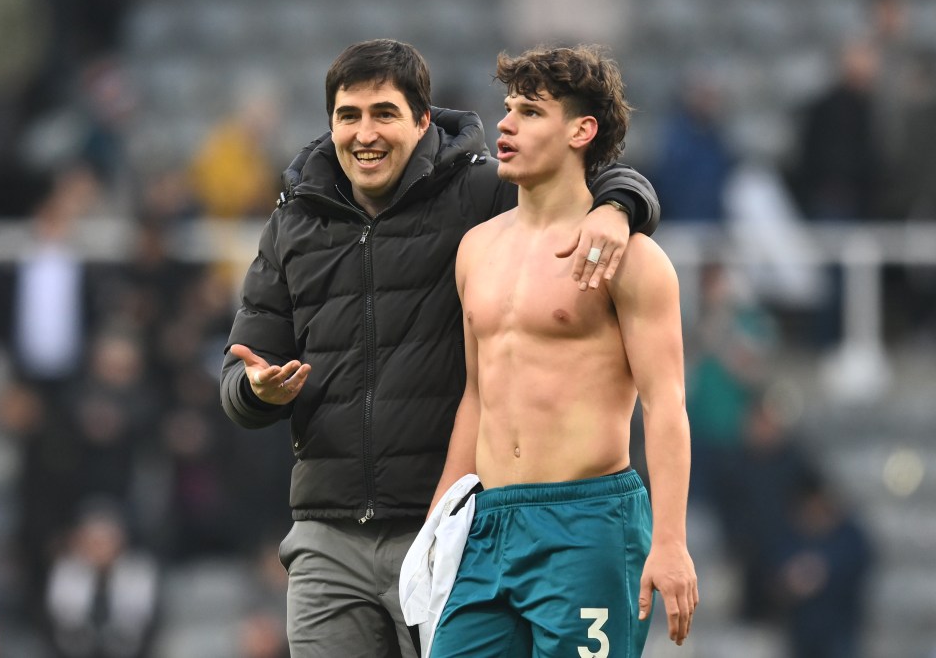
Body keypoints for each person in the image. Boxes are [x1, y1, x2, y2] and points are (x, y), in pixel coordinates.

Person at [219, 38, 662, 658]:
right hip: (326, 532)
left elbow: (578, 171)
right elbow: (240, 375)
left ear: (423, 121)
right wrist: (253, 392)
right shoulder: (293, 222)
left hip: (449, 522)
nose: (364, 133)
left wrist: (621, 205)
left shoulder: (481, 195)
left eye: (384, 114)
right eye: (348, 116)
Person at [423, 45, 697, 657]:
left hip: (589, 523)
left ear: (582, 130)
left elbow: (666, 404)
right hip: (488, 524)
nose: (505, 123)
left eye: (529, 111)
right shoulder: (475, 250)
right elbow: (477, 394)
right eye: (507, 108)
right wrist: (443, 514)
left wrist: (672, 540)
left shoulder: (633, 258)